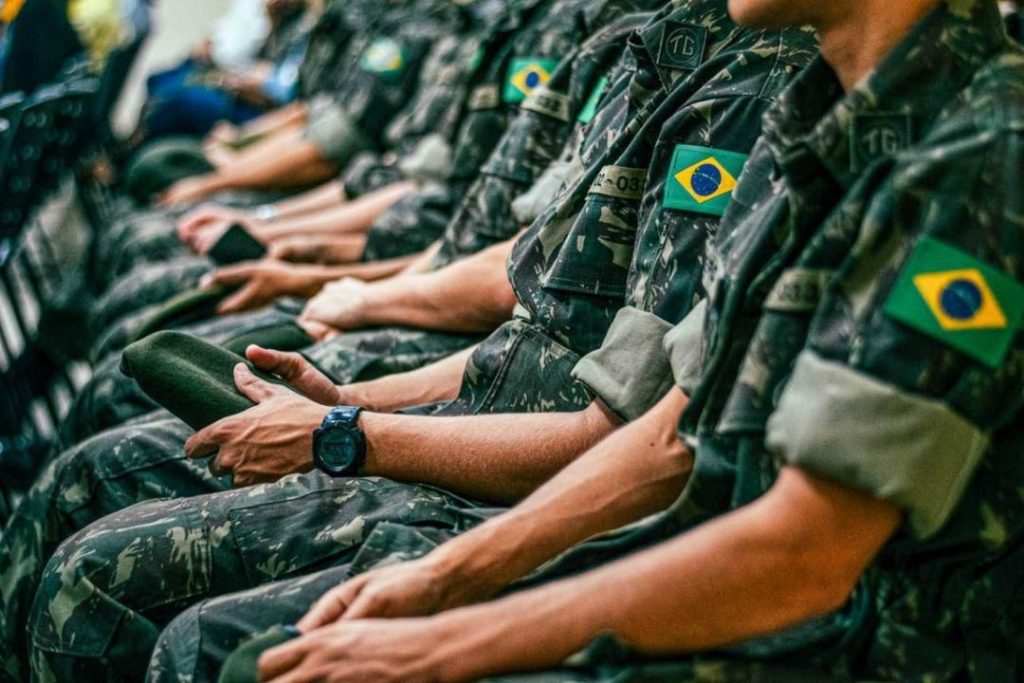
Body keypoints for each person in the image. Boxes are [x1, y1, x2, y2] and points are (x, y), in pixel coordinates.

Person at [153, 0, 1022, 680]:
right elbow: (676, 427)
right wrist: (445, 576)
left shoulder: (986, 156)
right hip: (710, 569)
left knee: (209, 649)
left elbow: (805, 553)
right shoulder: (822, 117)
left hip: (850, 645)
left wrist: (440, 641)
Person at [12, 2, 820, 679]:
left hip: (552, 490)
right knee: (107, 452)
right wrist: (343, 387)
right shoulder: (659, 44)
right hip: (483, 414)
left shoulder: (769, 86)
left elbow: (640, 435)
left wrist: (345, 426)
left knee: (135, 588)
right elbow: (528, 300)